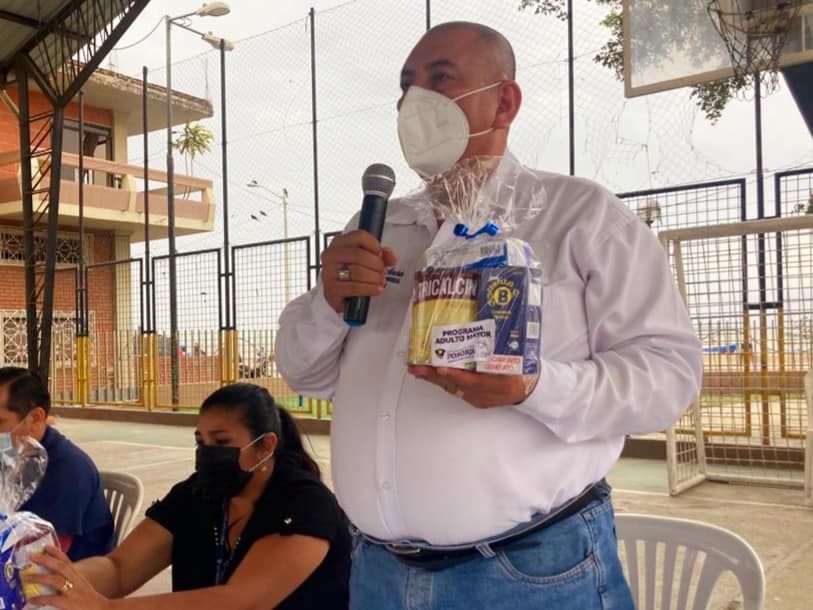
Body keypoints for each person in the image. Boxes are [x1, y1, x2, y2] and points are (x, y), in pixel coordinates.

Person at [274, 21, 703, 610]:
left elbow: (669, 374)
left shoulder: (579, 216)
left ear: (504, 102)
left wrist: (534, 387)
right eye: (406, 85)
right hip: (378, 573)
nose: (414, 100)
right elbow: (307, 374)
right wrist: (327, 302)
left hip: (531, 573)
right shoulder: (378, 228)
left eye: (440, 79)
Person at [26, 383, 351, 610]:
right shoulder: (198, 494)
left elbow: (243, 601)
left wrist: (106, 608)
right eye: (201, 441)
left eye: (221, 442)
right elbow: (119, 568)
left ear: (265, 446)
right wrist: (42, 583)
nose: (208, 453)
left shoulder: (304, 504)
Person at [0, 367, 114, 561]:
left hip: (69, 572)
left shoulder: (68, 470)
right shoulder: (13, 455)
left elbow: (43, 555)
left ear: (35, 418)